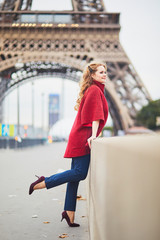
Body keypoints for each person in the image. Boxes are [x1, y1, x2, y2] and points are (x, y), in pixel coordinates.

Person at [29, 63, 109, 227]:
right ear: (92, 75)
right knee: (80, 173)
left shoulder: (94, 89)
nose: (104, 74)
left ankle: (69, 212)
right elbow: (95, 116)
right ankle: (45, 181)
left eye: (105, 72)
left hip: (80, 135)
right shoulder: (94, 89)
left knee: (75, 175)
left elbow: (94, 115)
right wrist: (94, 135)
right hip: (83, 137)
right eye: (101, 72)